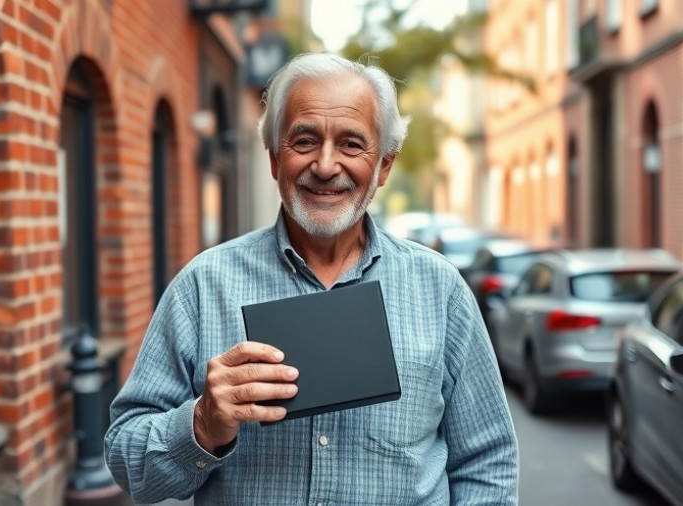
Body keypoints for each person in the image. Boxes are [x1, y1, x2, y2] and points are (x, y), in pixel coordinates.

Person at [104, 52, 519, 505]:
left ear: (384, 166)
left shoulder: (441, 291)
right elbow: (128, 462)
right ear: (274, 159)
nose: (325, 165)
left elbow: (488, 463)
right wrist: (202, 423)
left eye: (351, 144)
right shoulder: (203, 286)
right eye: (304, 141)